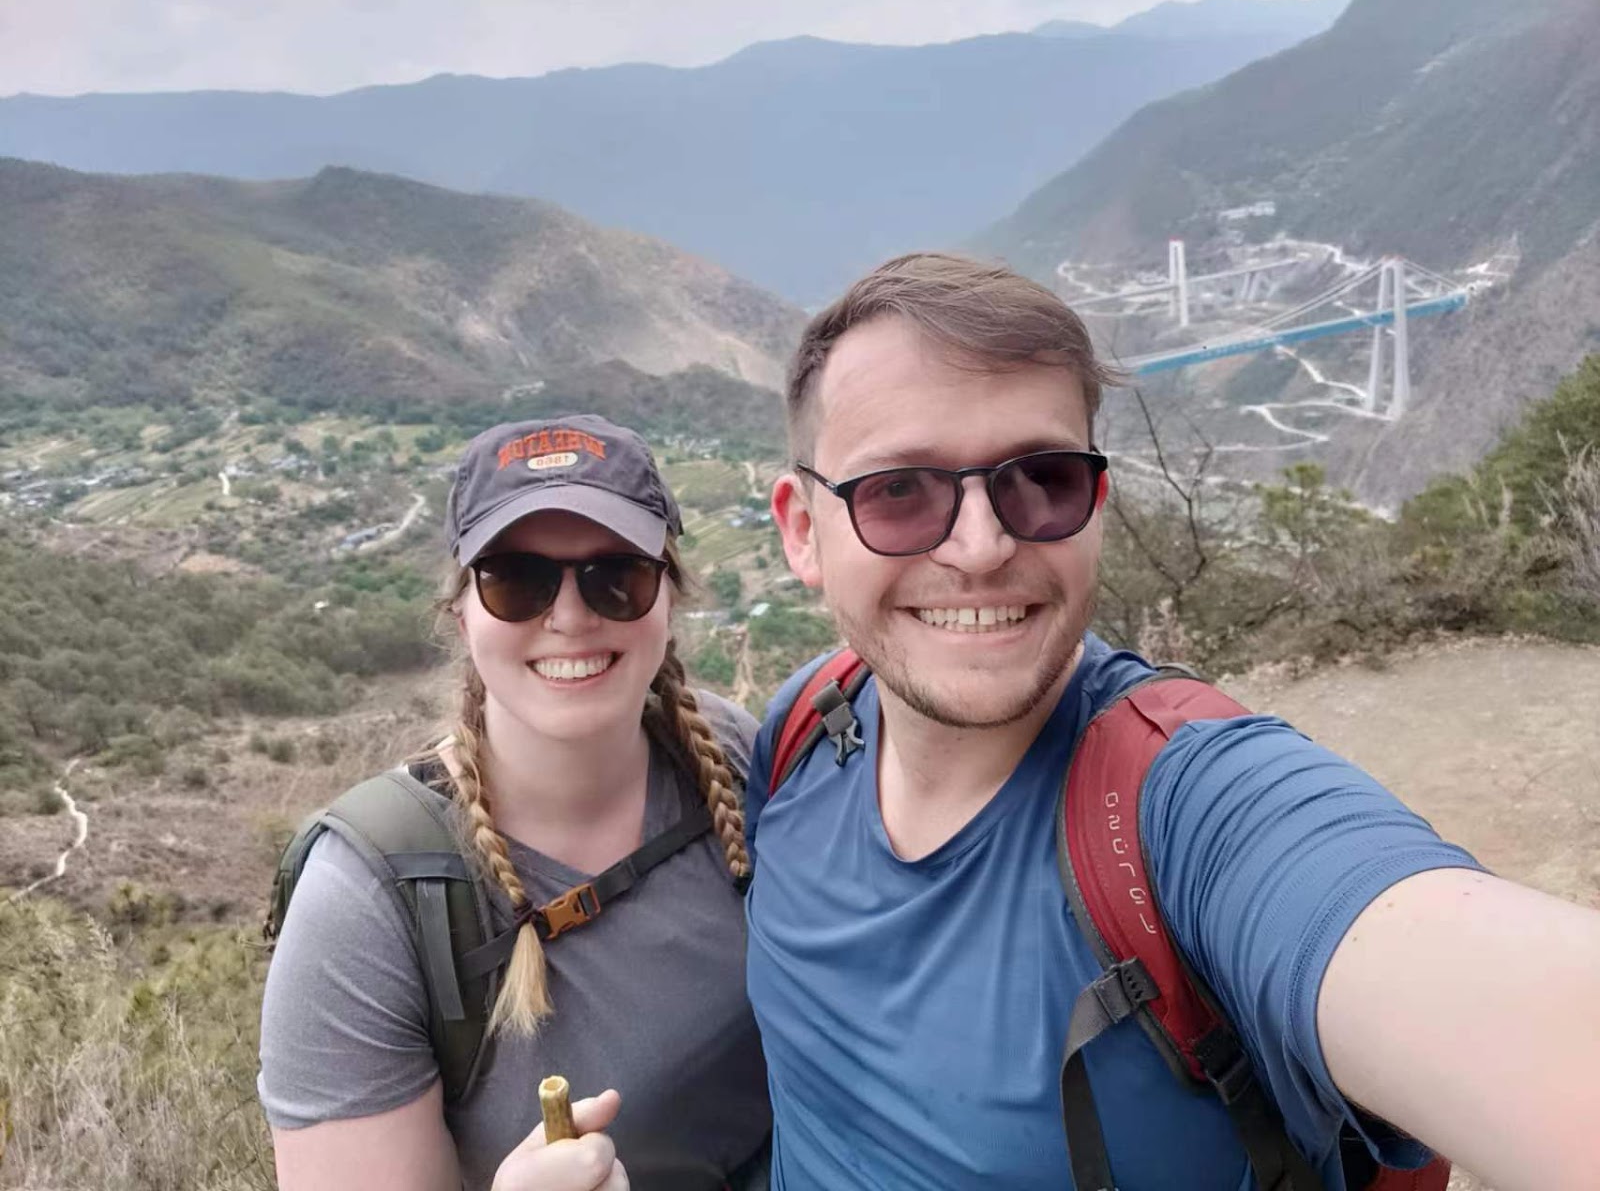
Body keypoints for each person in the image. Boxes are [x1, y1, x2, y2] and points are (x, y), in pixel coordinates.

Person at [747, 253, 1600, 1190]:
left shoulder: (1184, 812)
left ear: (1096, 501)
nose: (983, 546)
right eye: (898, 492)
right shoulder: (802, 735)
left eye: (1043, 480)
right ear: (801, 530)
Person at [259, 414, 771, 1191]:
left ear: (670, 600)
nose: (568, 616)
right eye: (516, 580)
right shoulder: (369, 905)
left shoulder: (732, 757)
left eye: (617, 577)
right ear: (462, 613)